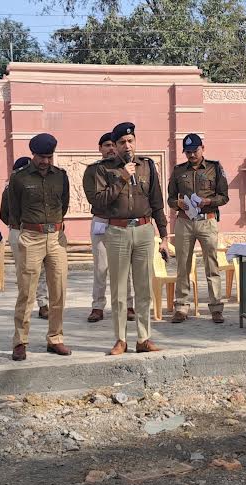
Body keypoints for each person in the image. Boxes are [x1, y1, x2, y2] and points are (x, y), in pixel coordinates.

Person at [87, 122, 170, 356]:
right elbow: (99, 202)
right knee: (119, 289)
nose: (127, 146)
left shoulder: (147, 166)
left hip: (144, 231)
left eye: (130, 141)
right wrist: (122, 178)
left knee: (144, 288)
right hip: (117, 231)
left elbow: (156, 202)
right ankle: (121, 339)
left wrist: (164, 236)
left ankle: (143, 338)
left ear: (135, 142)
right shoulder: (101, 170)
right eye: (122, 142)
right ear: (114, 145)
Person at [7, 134, 71, 361]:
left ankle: (55, 338)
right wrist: (28, 229)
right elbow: (13, 210)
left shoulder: (61, 177)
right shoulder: (19, 178)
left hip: (56, 237)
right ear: (33, 154)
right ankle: (20, 341)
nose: (45, 161)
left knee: (58, 290)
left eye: (49, 157)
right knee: (27, 292)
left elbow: (64, 204)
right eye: (41, 157)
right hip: (31, 236)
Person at [167, 133, 229, 324]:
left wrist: (208, 201)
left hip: (207, 221)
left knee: (212, 265)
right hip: (184, 222)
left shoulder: (214, 168)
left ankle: (216, 308)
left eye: (195, 150)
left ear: (203, 148)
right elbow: (170, 198)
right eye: (188, 152)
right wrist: (177, 203)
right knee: (182, 266)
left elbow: (224, 197)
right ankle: (181, 307)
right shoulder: (178, 171)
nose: (192, 155)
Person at [85, 132, 134, 323]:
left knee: (123, 266)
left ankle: (128, 304)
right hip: (101, 220)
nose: (111, 149)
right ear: (100, 149)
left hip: (121, 222)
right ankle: (98, 306)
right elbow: (96, 198)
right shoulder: (93, 171)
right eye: (107, 145)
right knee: (101, 266)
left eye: (113, 145)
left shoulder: (127, 168)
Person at [1, 157, 49, 319]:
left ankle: (43, 304)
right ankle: (25, 306)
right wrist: (17, 224)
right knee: (23, 271)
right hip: (18, 231)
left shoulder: (39, 186)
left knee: (41, 270)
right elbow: (3, 214)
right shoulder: (9, 190)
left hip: (38, 232)